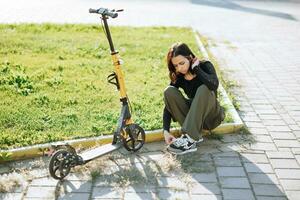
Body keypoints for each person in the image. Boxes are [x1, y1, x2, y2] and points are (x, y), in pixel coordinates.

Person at [163, 42, 225, 155]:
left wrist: (196, 68)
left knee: (204, 88)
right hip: (195, 118)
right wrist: (165, 131)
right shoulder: (179, 76)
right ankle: (194, 135)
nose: (179, 68)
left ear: (190, 57)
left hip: (211, 117)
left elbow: (214, 85)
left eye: (182, 63)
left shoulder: (205, 65)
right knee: (169, 92)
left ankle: (190, 138)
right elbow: (169, 104)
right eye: (176, 66)